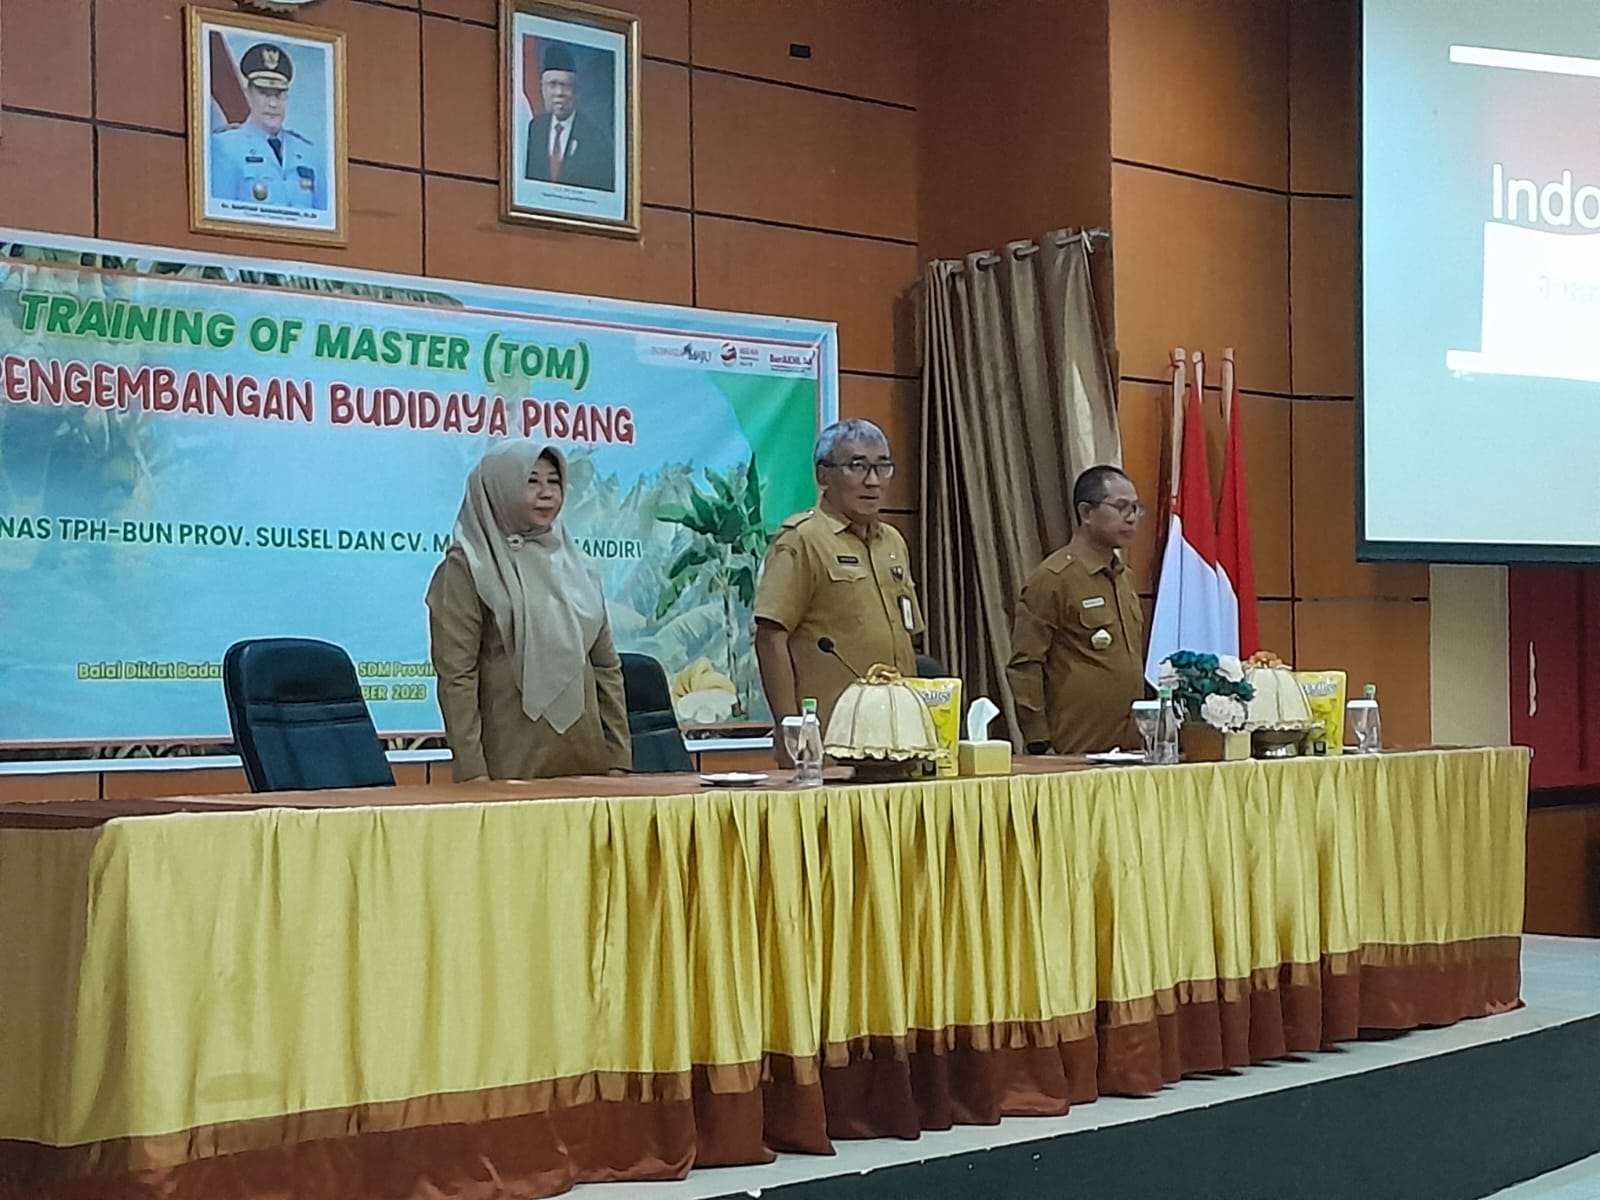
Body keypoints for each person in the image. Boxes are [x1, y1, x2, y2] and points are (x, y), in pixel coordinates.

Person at [426, 441, 631, 781]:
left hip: (587, 759)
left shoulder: (574, 564)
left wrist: (618, 758)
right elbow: (457, 678)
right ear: (498, 489)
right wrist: (473, 773)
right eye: (532, 481)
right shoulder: (467, 567)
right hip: (506, 761)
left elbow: (606, 666)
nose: (546, 493)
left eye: (554, 482)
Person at [753, 419, 923, 752]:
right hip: (830, 741)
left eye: (882, 467)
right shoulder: (802, 540)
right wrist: (792, 733)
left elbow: (904, 634)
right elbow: (771, 636)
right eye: (857, 467)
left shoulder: (892, 542)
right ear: (823, 476)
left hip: (896, 737)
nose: (872, 481)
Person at [1006, 464, 1147, 755]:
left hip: (1129, 747)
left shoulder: (1124, 578)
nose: (1132, 518)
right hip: (1073, 748)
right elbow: (1025, 665)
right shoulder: (1054, 578)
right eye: (1121, 507)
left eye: (1136, 508)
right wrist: (1038, 742)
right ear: (1086, 513)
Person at [209, 42, 327, 210]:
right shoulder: (224, 147)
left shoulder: (309, 153)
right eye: (264, 94)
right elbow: (219, 214)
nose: (273, 104)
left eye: (278, 95)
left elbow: (323, 221)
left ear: (286, 97)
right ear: (248, 93)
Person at [522, 41, 615, 192]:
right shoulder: (534, 129)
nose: (559, 93)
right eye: (552, 85)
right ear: (543, 88)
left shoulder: (594, 137)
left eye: (565, 85)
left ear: (576, 91)